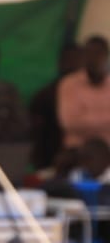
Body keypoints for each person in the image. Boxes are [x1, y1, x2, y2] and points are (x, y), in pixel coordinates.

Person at [30, 43, 83, 171]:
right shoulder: (45, 95)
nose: (71, 64)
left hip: (85, 157)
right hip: (51, 160)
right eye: (68, 59)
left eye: (75, 59)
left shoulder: (95, 93)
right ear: (60, 62)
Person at [58, 35, 110, 150]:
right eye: (89, 54)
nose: (93, 59)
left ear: (106, 56)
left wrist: (85, 119)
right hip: (78, 151)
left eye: (98, 53)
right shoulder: (69, 83)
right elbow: (69, 122)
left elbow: (79, 122)